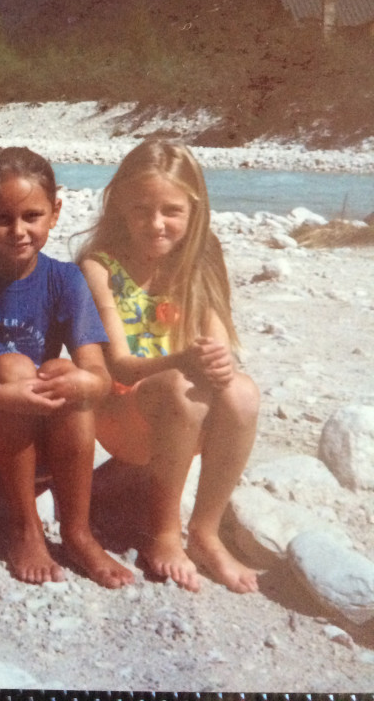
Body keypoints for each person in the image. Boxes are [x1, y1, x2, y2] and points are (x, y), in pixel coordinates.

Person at [0, 145, 134, 589]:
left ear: (55, 213)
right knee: (10, 365)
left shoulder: (66, 279)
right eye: (3, 218)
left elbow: (98, 376)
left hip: (40, 437)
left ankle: (77, 532)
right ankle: (25, 528)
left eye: (32, 216)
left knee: (69, 378)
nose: (18, 230)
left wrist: (84, 381)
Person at [77, 138, 260, 594]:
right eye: (141, 210)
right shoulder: (99, 266)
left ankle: (204, 532)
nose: (156, 224)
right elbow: (118, 365)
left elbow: (217, 347)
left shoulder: (202, 258)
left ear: (194, 210)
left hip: (183, 410)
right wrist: (183, 360)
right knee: (180, 384)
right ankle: (163, 534)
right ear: (118, 204)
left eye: (171, 211)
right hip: (122, 414)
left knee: (242, 392)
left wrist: (214, 363)